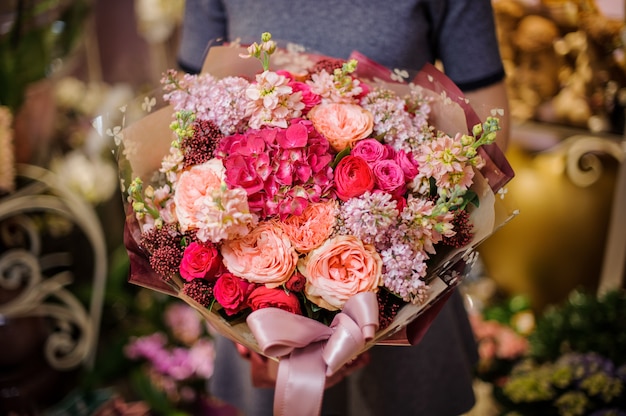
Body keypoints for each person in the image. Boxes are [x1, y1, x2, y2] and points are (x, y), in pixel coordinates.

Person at [176, 1, 510, 415]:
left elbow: (484, 113)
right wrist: (240, 321)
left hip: (408, 285)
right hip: (255, 303)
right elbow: (191, 112)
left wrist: (393, 286)